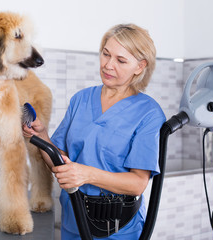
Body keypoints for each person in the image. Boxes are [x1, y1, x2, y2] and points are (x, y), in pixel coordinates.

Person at [23, 23, 166, 239]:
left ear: (140, 66)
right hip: (73, 221)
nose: (108, 65)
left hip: (119, 229)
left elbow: (138, 183)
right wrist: (42, 137)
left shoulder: (149, 113)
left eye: (120, 60)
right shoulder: (81, 99)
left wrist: (86, 174)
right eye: (105, 54)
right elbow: (59, 165)